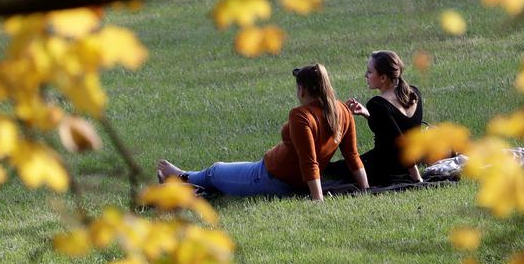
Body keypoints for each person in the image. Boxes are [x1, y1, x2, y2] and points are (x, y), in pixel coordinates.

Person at [157, 63, 368, 200]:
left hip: (269, 178)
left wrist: (318, 200)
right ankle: (187, 187)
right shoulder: (342, 110)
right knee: (219, 180)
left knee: (215, 171)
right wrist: (365, 188)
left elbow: (309, 162)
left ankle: (180, 177)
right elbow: (352, 156)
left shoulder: (301, 115)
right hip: (280, 176)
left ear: (302, 89)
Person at [327, 50, 424, 187]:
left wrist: (417, 178)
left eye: (370, 72)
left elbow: (400, 143)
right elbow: (396, 128)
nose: (365, 75)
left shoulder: (377, 104)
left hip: (384, 167)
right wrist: (367, 113)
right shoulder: (414, 93)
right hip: (411, 158)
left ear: (383, 78)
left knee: (334, 169)